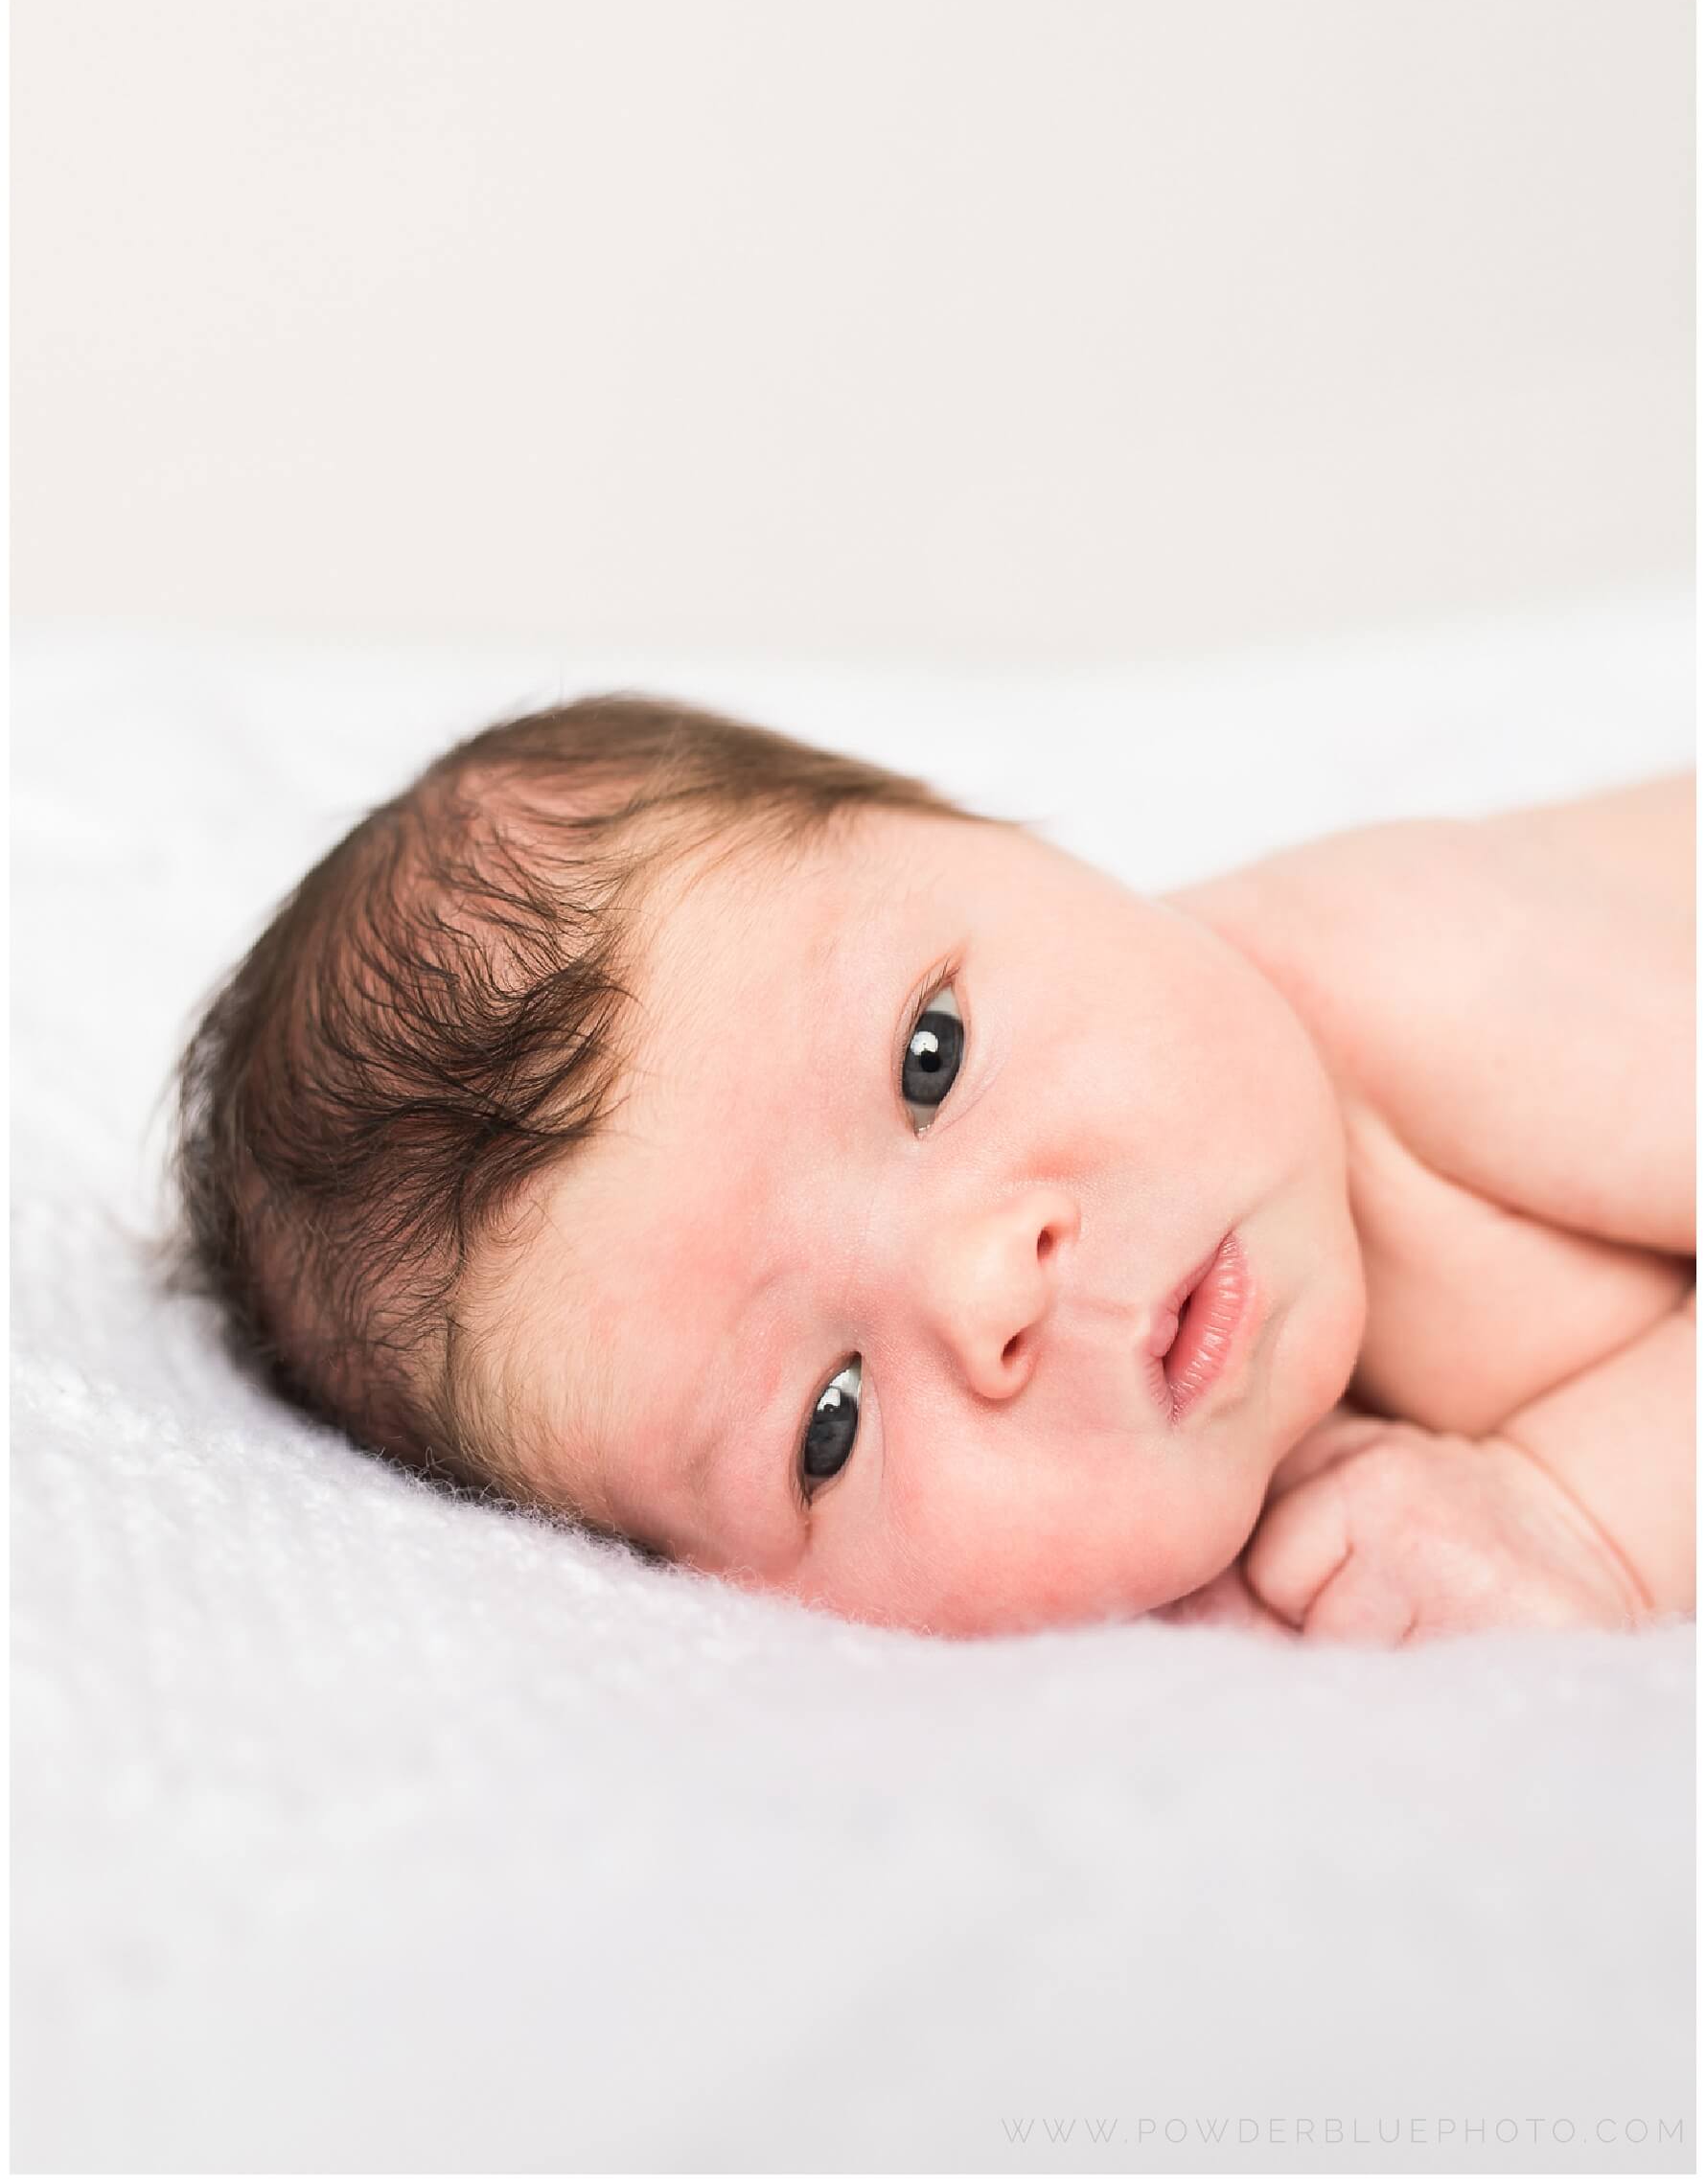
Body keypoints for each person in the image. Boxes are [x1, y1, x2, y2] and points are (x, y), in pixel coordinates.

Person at [170, 696, 1694, 1642]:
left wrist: (1577, 1514)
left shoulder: (1408, 969)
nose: (987, 1284)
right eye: (827, 1426)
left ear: (1003, 838)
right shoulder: (1202, 1489)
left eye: (929, 1061)